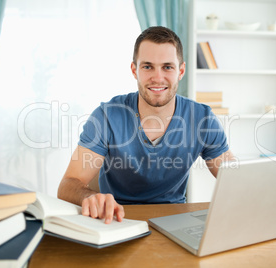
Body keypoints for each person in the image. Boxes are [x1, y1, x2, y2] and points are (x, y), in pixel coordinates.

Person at [57, 26, 234, 224]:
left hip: (175, 220)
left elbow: (234, 180)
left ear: (181, 71)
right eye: (148, 66)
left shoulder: (203, 119)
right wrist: (88, 197)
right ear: (135, 70)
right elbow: (68, 184)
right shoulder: (106, 116)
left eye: (167, 67)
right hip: (115, 219)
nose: (157, 78)